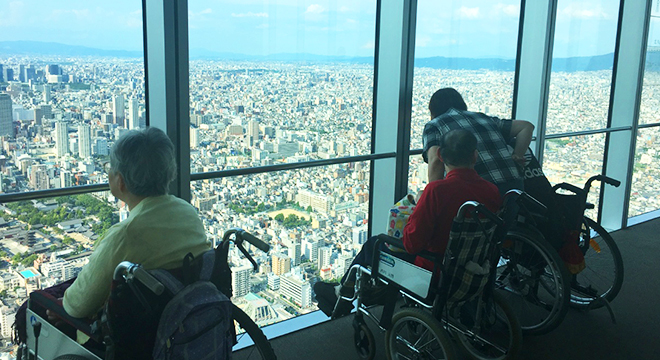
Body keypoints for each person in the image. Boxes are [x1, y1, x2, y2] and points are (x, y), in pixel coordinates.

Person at [315, 129, 501, 318]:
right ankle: (345, 293)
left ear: (440, 156)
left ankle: (340, 296)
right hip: (471, 272)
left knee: (374, 244)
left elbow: (412, 244)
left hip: (431, 273)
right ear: (475, 156)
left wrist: (419, 208)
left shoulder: (436, 191)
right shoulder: (492, 191)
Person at [61, 127, 211, 318]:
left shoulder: (126, 235)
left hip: (139, 338)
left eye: (110, 169)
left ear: (120, 182)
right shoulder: (188, 212)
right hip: (186, 324)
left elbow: (78, 305)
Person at [423, 87, 534, 196]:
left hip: (478, 190)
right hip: (515, 186)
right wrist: (517, 155)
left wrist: (433, 195)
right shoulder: (483, 118)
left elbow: (436, 160)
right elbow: (526, 127)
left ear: (433, 110)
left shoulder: (434, 125)